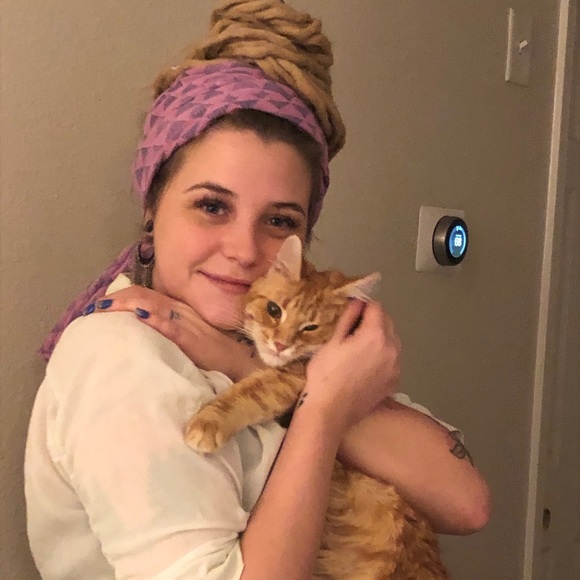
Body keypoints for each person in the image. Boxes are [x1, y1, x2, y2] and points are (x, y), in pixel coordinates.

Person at [25, 1, 490, 578]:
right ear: (151, 204)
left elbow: (466, 503)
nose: (245, 250)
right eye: (211, 206)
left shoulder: (268, 337)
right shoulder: (123, 356)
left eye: (278, 220)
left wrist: (244, 365)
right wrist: (323, 411)